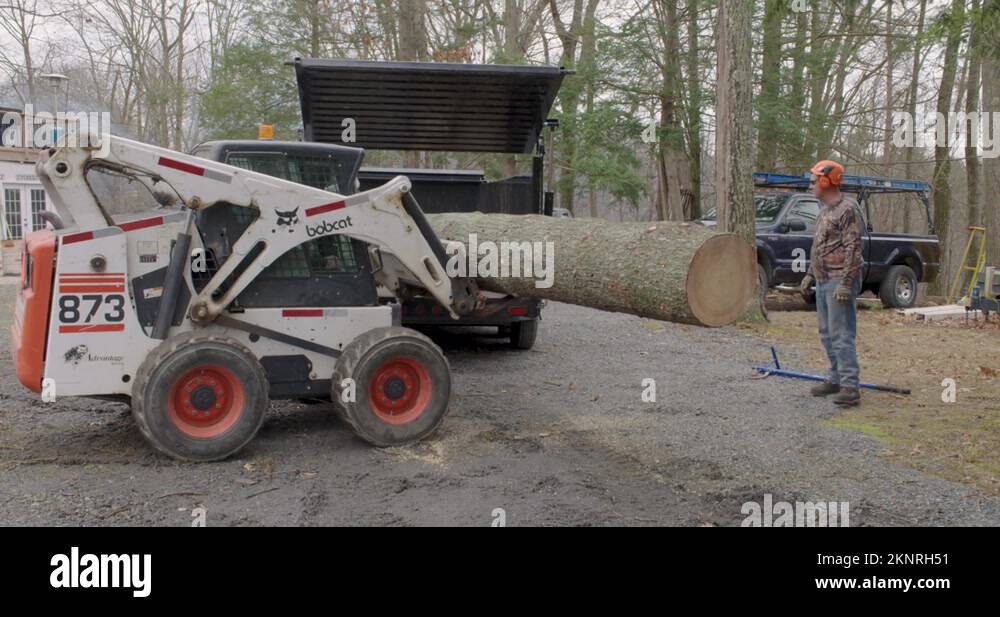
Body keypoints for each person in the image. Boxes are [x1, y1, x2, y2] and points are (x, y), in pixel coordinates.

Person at [799, 161, 864, 407]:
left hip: (839, 280)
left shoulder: (847, 210)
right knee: (827, 334)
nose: (812, 186)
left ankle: (850, 386)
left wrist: (846, 283)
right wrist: (809, 274)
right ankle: (836, 378)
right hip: (824, 279)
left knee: (841, 334)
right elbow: (819, 247)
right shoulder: (824, 211)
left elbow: (854, 248)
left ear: (826, 182)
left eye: (815, 181)